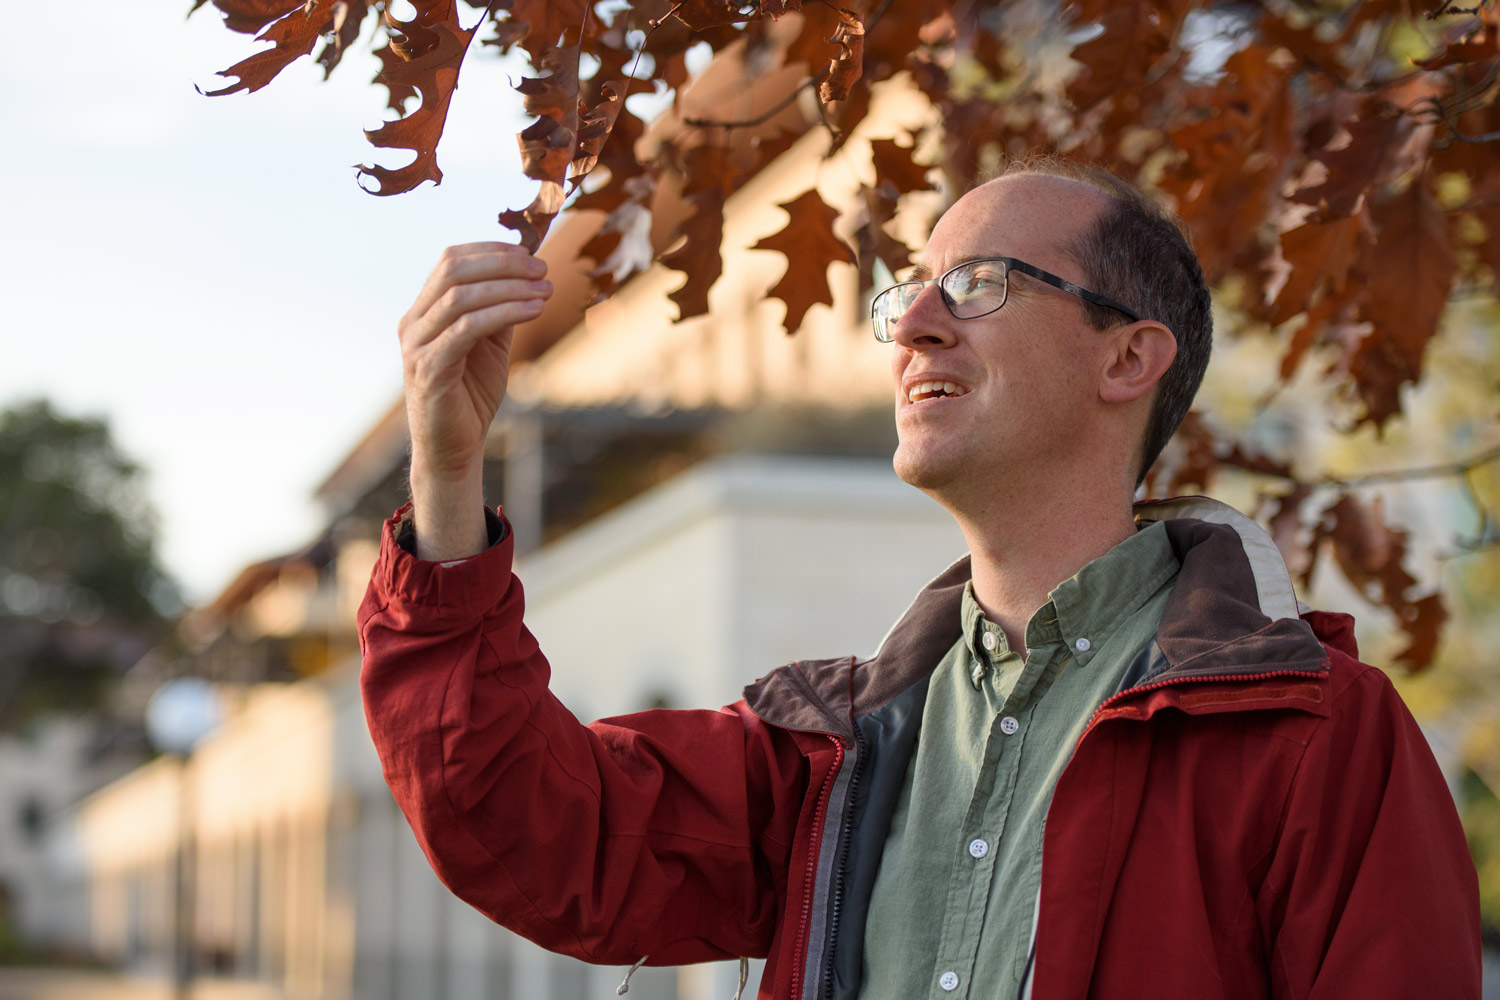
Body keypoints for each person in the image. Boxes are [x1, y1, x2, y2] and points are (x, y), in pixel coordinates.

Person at [359, 161, 1481, 999]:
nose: (916, 329)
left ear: (1129, 358)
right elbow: (529, 825)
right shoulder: (829, 752)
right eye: (912, 294)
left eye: (982, 284)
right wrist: (451, 476)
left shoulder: (1317, 736)